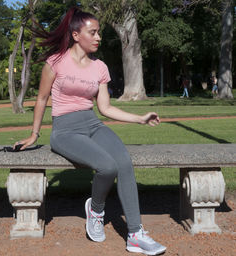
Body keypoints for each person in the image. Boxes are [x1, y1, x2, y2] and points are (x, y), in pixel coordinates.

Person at [14, 7, 166, 256]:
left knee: (124, 163)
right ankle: (96, 210)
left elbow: (105, 108)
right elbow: (41, 99)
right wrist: (34, 134)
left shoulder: (100, 68)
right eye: (92, 32)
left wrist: (139, 118)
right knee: (107, 166)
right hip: (64, 130)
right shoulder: (56, 62)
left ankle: (136, 235)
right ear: (76, 35)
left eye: (99, 33)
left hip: (92, 124)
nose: (98, 38)